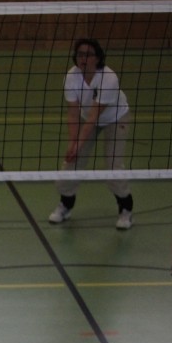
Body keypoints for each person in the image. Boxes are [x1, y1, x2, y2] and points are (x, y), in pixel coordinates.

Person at [50, 38, 135, 230]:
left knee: (113, 167)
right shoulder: (71, 77)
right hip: (86, 116)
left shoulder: (108, 78)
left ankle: (126, 209)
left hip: (115, 118)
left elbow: (94, 116)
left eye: (88, 55)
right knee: (71, 164)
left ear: (97, 58)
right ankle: (66, 204)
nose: (83, 58)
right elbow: (73, 113)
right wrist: (73, 144)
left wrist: (78, 145)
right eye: (80, 54)